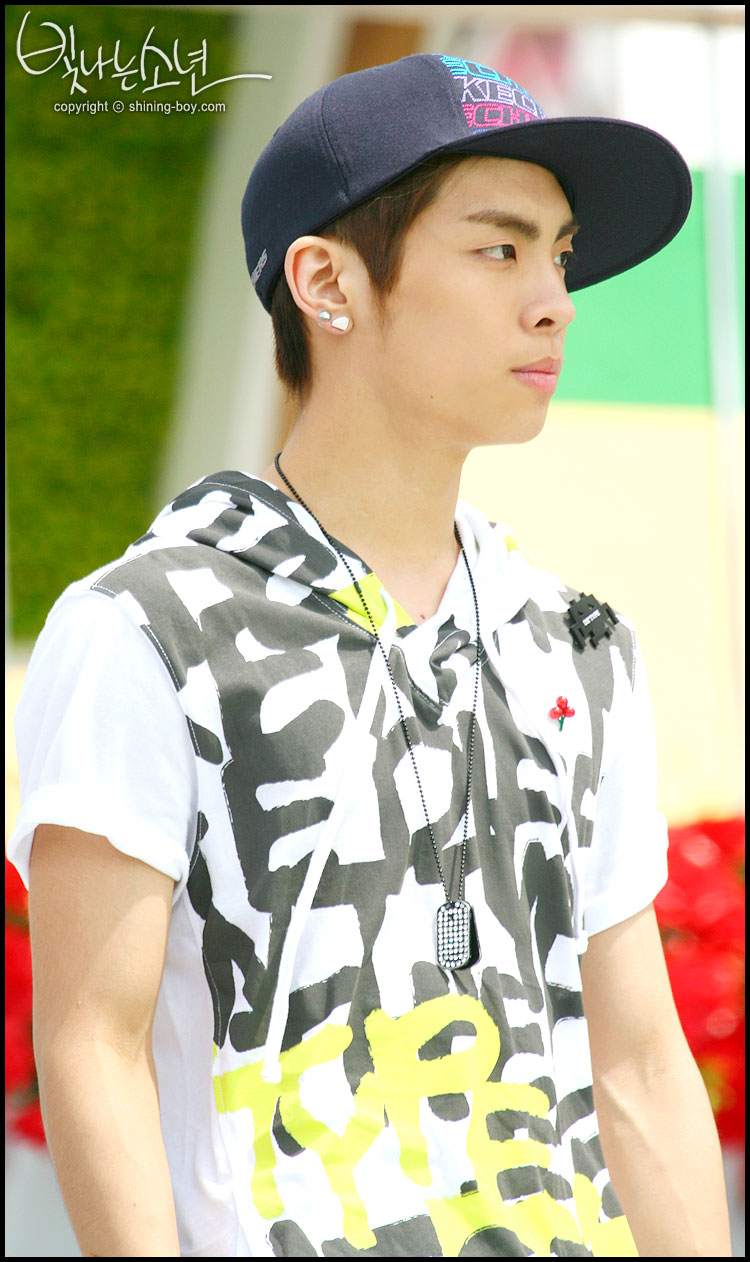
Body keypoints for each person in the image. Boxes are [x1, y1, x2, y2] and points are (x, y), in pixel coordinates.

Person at [8, 53, 732, 1258]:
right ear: (326, 281)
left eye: (558, 256)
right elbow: (94, 1045)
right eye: (499, 249)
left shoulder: (580, 645)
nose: (554, 301)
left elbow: (642, 1065)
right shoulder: (147, 626)